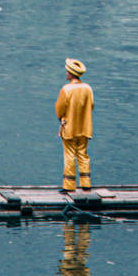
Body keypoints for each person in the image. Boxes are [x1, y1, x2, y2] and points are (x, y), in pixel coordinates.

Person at [56, 57, 94, 192]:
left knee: (70, 155)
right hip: (84, 127)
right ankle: (86, 183)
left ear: (71, 74)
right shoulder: (88, 88)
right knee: (83, 155)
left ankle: (69, 185)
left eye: (67, 71)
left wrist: (61, 117)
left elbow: (59, 108)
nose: (66, 73)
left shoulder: (66, 89)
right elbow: (91, 105)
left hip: (69, 128)